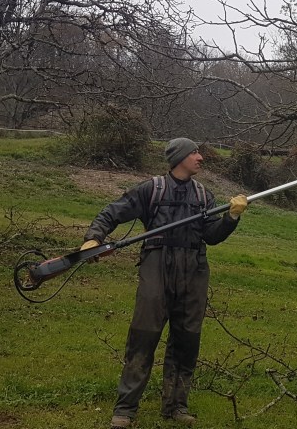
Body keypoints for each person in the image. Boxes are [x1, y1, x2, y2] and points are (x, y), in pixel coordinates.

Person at [80, 138, 248, 428]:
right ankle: (125, 409)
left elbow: (212, 236)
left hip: (194, 270)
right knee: (143, 336)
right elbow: (113, 211)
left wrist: (231, 218)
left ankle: (176, 407)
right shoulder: (152, 190)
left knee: (186, 339)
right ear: (180, 157)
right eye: (195, 152)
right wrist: (94, 237)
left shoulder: (203, 195)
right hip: (157, 266)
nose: (200, 157)